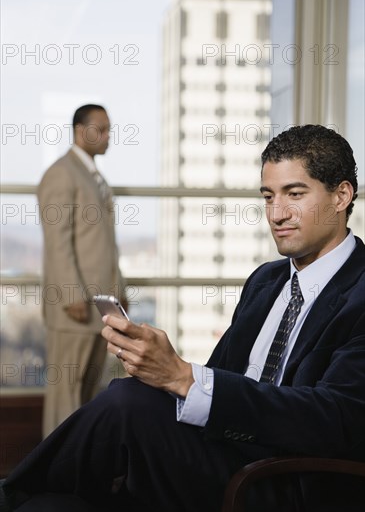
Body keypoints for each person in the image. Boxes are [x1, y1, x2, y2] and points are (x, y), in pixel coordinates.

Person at [2, 125, 364, 512]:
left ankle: (11, 494)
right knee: (57, 502)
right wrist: (162, 374)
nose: (276, 214)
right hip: (218, 452)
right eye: (268, 196)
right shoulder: (266, 281)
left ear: (341, 195)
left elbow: (337, 419)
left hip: (283, 479)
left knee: (126, 402)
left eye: (294, 194)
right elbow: (220, 379)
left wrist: (182, 376)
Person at [37, 104, 128, 437]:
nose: (107, 136)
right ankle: (53, 474)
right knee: (66, 396)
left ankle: (78, 469)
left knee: (88, 395)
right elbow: (57, 241)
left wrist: (119, 291)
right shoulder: (61, 173)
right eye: (99, 129)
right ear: (79, 131)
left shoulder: (94, 176)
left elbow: (104, 244)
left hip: (99, 307)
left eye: (108, 129)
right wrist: (71, 295)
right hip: (72, 307)